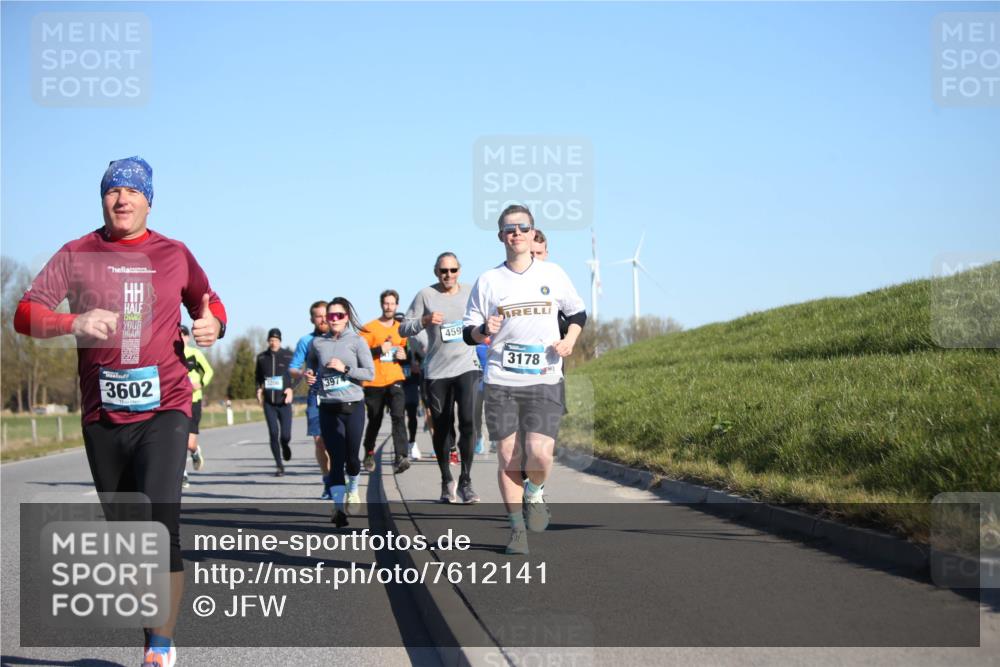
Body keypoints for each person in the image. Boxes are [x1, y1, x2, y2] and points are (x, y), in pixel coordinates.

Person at [13, 156, 227, 667]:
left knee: (160, 524)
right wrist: (73, 322)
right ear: (103, 199)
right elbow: (25, 314)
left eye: (132, 191)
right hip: (103, 415)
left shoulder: (174, 253)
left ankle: (160, 648)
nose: (122, 199)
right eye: (112, 191)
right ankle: (152, 634)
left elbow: (210, 302)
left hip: (167, 408)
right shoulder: (77, 252)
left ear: (149, 199)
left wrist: (214, 325)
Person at [463, 204, 586, 555]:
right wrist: (482, 329)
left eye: (522, 227)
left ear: (533, 233)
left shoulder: (553, 274)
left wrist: (570, 340)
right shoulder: (488, 281)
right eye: (509, 228)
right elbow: (467, 333)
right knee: (507, 455)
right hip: (502, 379)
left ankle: (535, 491)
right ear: (501, 236)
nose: (516, 233)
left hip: (545, 376)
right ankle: (517, 530)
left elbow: (577, 312)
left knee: (539, 454)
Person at [400, 253, 481, 504]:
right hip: (437, 371)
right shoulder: (425, 295)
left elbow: (489, 319)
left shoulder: (471, 292)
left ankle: (466, 481)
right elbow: (403, 328)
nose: (448, 275)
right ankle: (447, 479)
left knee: (468, 422)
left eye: (453, 270)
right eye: (444, 271)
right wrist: (424, 320)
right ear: (436, 271)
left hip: (468, 366)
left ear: (460, 270)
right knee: (443, 427)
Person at [304, 298, 374, 527]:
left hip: (353, 406)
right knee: (336, 459)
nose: (334, 320)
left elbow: (369, 374)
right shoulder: (317, 343)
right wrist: (311, 377)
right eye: (330, 316)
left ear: (346, 317)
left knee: (352, 459)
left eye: (339, 316)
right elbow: (311, 369)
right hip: (328, 407)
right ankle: (337, 508)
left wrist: (345, 369)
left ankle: (353, 488)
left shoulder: (357, 341)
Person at [360, 290, 411, 474]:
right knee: (375, 419)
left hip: (395, 378)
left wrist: (404, 356)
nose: (389, 307)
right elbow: (360, 356)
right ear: (381, 305)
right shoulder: (369, 328)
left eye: (392, 304)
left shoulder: (401, 329)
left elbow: (407, 355)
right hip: (374, 382)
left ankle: (401, 456)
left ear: (397, 305)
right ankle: (369, 451)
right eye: (386, 303)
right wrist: (379, 349)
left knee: (398, 416)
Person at [290, 301, 333, 498]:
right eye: (318, 316)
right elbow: (293, 367)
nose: (323, 319)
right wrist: (302, 373)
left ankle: (338, 477)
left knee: (336, 442)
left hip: (338, 395)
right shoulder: (305, 341)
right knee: (320, 442)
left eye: (326, 315)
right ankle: (328, 480)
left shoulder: (339, 338)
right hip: (316, 396)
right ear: (312, 319)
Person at [255, 328, 294, 476]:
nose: (273, 342)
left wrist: (291, 388)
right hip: (269, 403)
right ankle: (279, 465)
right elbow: (258, 377)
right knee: (273, 433)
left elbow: (297, 376)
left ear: (280, 341)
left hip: (284, 402)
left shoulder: (288, 356)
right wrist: (259, 389)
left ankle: (285, 445)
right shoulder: (261, 358)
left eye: (276, 340)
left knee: (285, 436)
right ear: (268, 341)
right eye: (271, 340)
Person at [179, 324, 213, 488]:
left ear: (188, 337)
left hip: (193, 401)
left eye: (184, 335)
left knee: (189, 443)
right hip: (176, 402)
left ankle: (195, 451)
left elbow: (209, 371)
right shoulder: (170, 355)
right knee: (177, 439)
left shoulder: (195, 354)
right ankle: (182, 474)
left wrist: (201, 383)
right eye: (178, 335)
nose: (181, 338)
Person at [401, 324, 426, 460]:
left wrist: (417, 363)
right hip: (395, 382)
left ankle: (412, 442)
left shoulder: (413, 341)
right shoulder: (390, 340)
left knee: (411, 414)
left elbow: (423, 357)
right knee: (397, 416)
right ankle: (401, 448)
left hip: (411, 382)